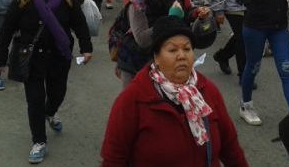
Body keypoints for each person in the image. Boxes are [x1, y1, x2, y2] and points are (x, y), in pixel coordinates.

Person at [100, 15, 248, 167]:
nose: (182, 56)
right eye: (172, 50)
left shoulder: (207, 91)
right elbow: (113, 159)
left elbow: (231, 148)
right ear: (156, 57)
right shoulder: (133, 99)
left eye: (187, 48)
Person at [0, 0, 93, 164]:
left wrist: (86, 48)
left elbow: (80, 24)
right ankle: (39, 141)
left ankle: (51, 111)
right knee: (35, 101)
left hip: (59, 55)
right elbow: (7, 28)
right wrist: (1, 57)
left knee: (58, 93)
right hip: (32, 57)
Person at [116, 0, 207, 88]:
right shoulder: (138, 1)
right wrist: (170, 18)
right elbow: (142, 39)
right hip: (136, 62)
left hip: (165, 62)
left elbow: (183, 14)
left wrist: (196, 13)